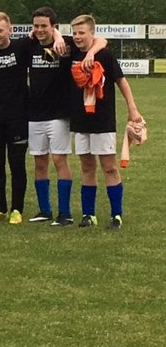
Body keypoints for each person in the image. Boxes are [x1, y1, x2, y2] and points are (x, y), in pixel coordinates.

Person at [0, 12, 60, 224]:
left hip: (18, 116)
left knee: (16, 165)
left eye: (0, 30)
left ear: (10, 30)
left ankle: (17, 209)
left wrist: (58, 37)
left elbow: (47, 32)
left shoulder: (21, 46)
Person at [27, 7, 107, 227]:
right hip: (34, 114)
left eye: (44, 26)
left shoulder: (68, 44)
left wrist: (85, 51)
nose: (40, 30)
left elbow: (102, 41)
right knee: (39, 161)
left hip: (59, 114)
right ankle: (45, 210)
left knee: (59, 160)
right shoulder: (30, 44)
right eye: (36, 26)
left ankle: (65, 214)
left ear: (53, 26)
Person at [68, 14, 142, 230]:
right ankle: (88, 214)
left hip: (103, 120)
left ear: (92, 33)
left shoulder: (105, 55)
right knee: (86, 166)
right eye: (75, 33)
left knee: (109, 167)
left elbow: (122, 82)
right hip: (80, 120)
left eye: (82, 33)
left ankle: (116, 215)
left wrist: (132, 109)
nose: (77, 37)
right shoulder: (72, 52)